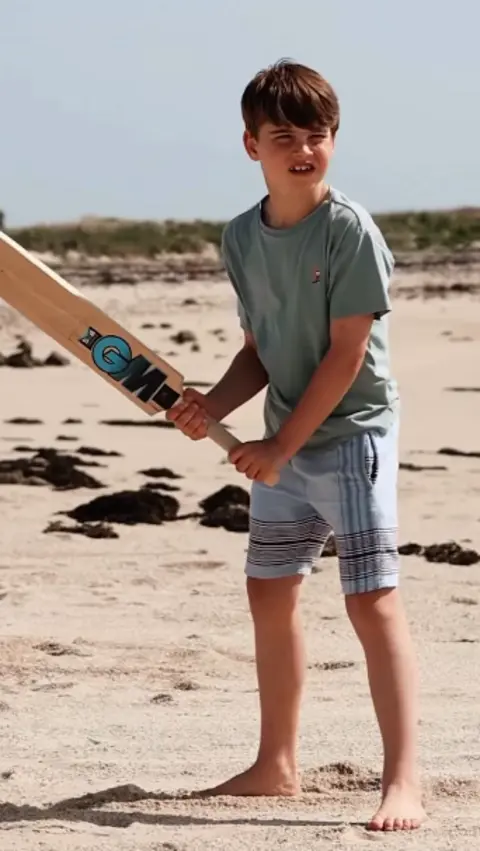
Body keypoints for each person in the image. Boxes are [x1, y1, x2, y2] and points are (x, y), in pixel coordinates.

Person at [166, 59, 426, 832]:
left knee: (371, 601)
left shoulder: (349, 230)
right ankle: (276, 763)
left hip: (351, 437)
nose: (304, 148)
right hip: (285, 435)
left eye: (317, 135)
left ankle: (404, 780)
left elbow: (346, 358)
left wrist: (277, 445)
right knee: (270, 592)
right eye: (285, 136)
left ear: (333, 140)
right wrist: (214, 403)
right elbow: (261, 349)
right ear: (252, 145)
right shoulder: (242, 236)